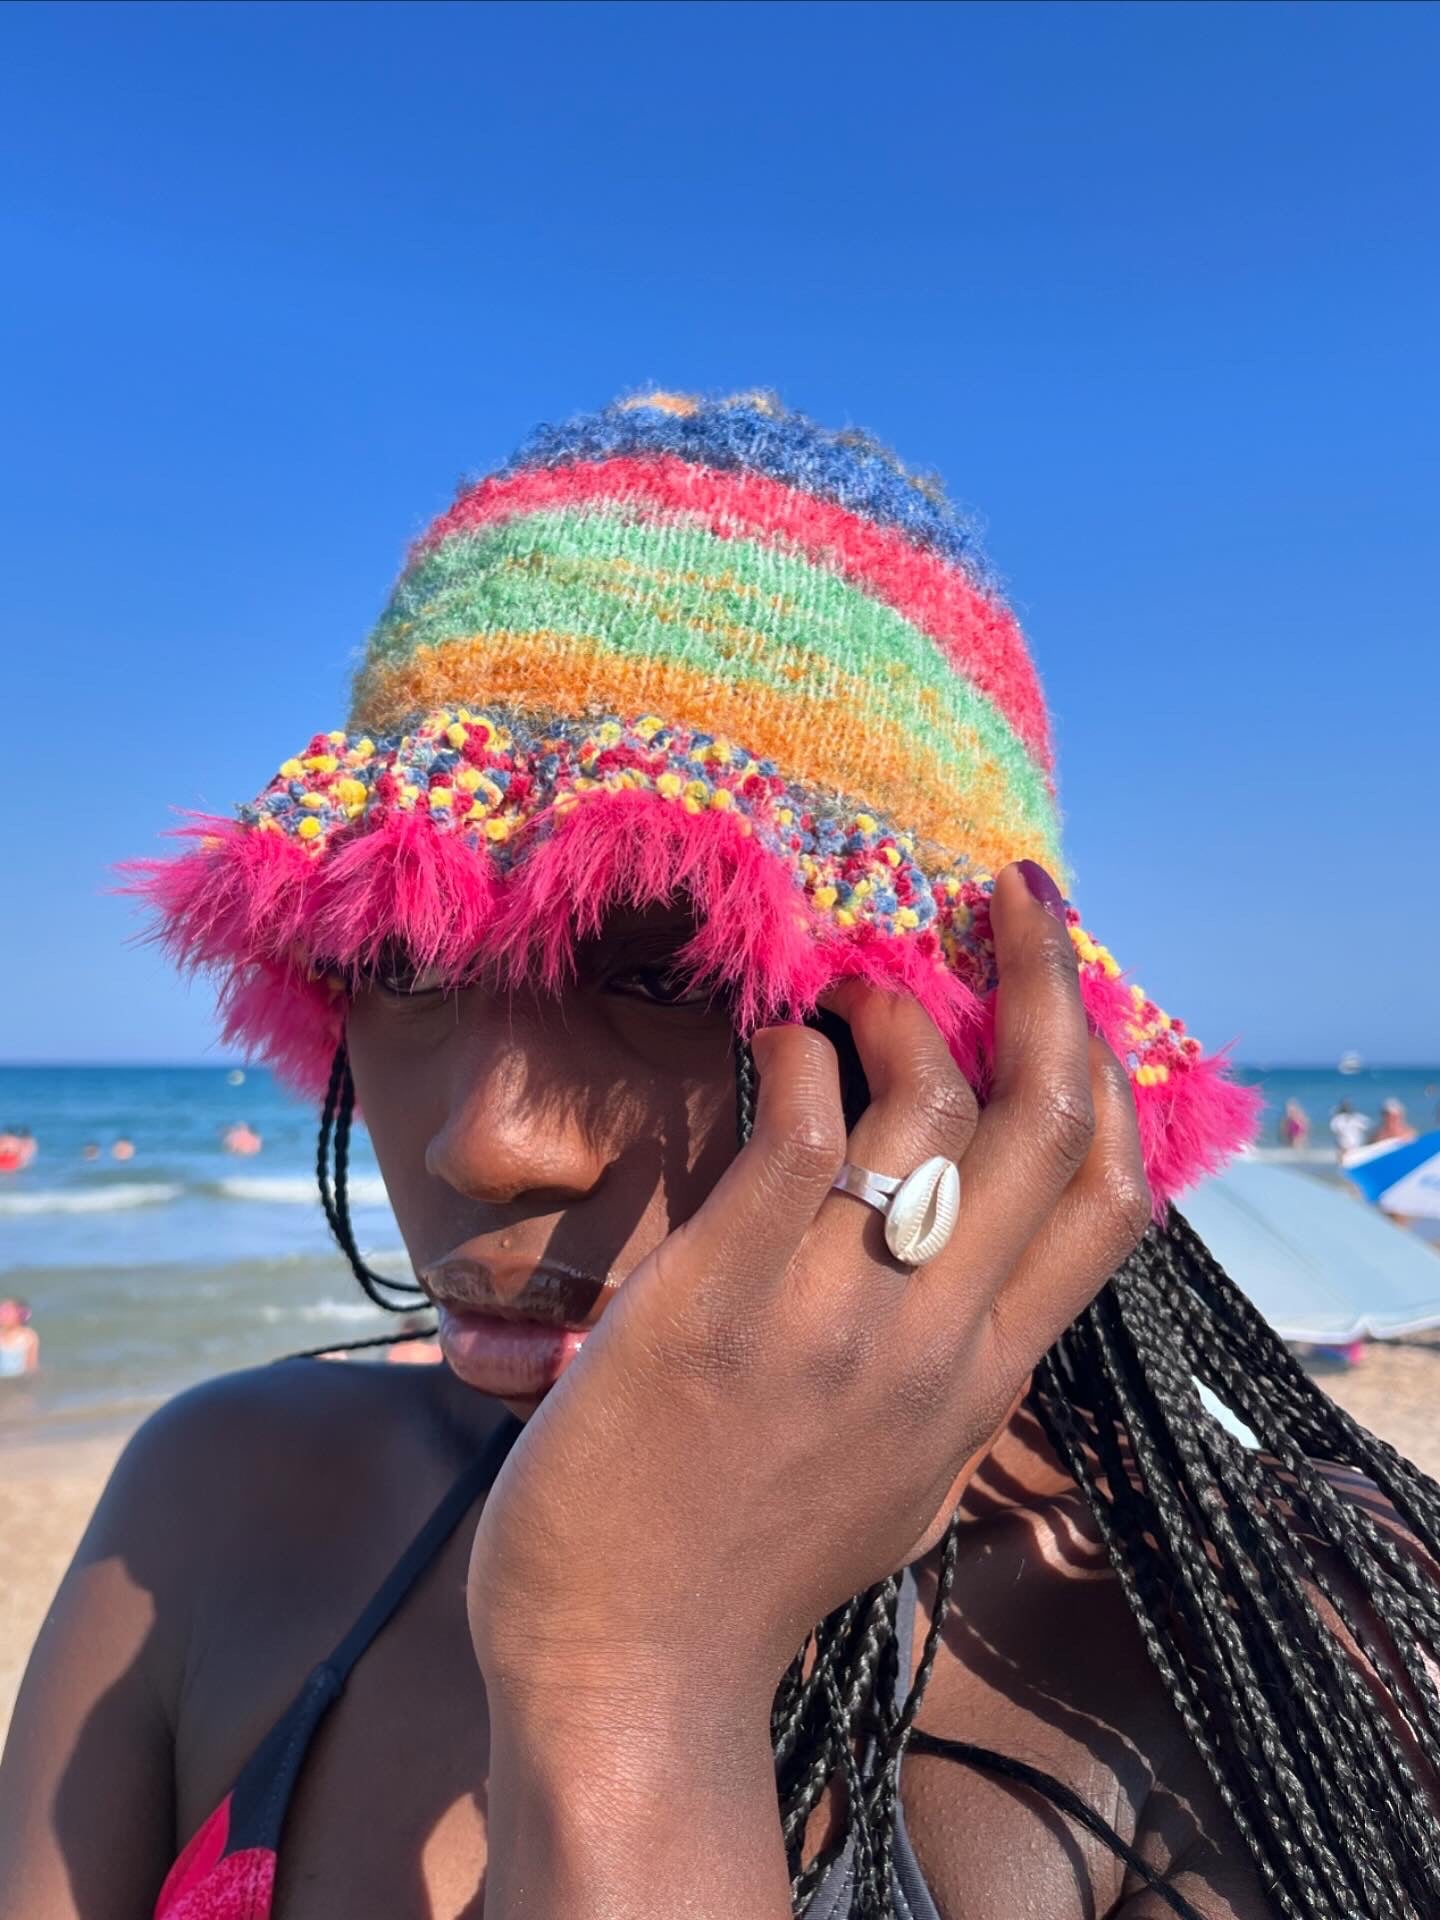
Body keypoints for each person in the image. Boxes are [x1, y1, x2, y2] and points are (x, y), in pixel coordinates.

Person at [5, 393, 1440, 1920]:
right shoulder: (223, 1507)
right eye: (407, 968)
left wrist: (628, 1678)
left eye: (674, 974)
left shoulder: (1223, 1652)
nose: (483, 1142)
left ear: (972, 1059)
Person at [0, 1299, 38, 1378]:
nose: (2, 1315)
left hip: (19, 1379)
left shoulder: (28, 1337)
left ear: (19, 1316)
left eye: (7, 1312)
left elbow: (31, 1366)